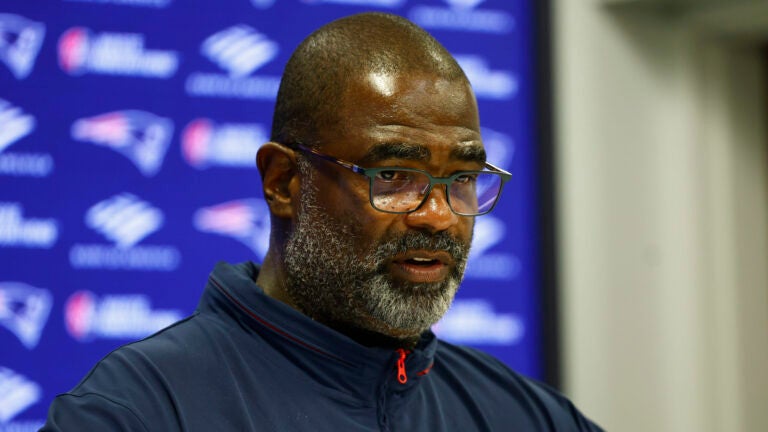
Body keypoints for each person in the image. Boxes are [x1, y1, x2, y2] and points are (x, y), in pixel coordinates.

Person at [41, 12, 603, 431]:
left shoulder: (530, 417)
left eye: (461, 180)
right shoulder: (137, 413)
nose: (438, 216)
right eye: (393, 177)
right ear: (284, 182)